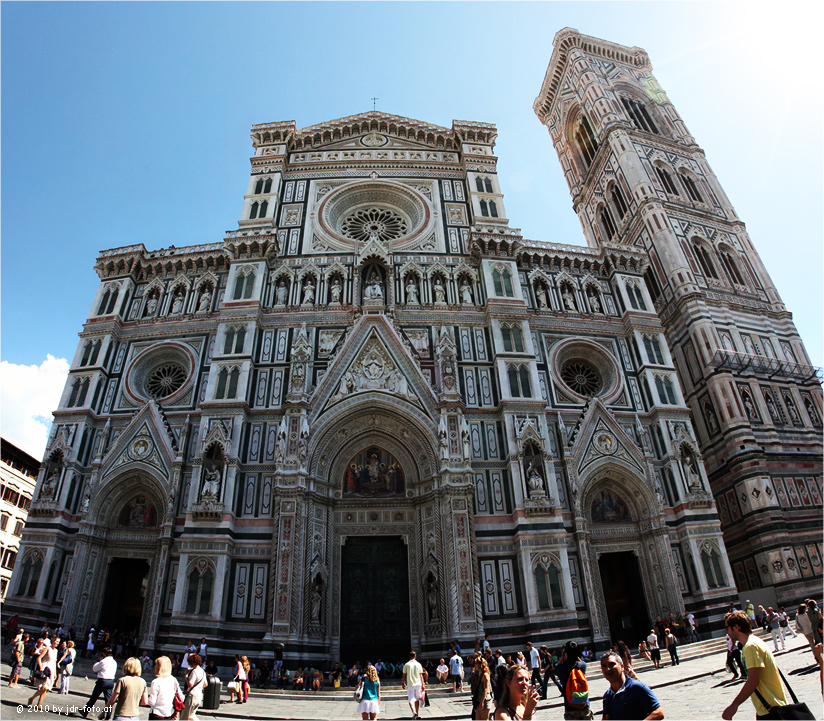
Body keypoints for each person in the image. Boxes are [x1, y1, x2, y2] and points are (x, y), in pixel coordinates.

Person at [722, 610, 787, 719]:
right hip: (769, 706)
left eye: (727, 628)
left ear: (736, 627)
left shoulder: (750, 647)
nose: (727, 632)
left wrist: (734, 705)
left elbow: (753, 680)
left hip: (770, 709)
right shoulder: (755, 641)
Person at [600, 651, 664, 720]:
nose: (608, 669)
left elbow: (659, 713)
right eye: (604, 666)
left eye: (611, 664)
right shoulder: (607, 696)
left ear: (622, 667)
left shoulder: (637, 687)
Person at [555, 640, 593, 720]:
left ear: (566, 653)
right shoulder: (582, 666)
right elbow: (581, 661)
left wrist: (562, 656)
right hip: (584, 705)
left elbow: (555, 667)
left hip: (570, 707)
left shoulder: (561, 668)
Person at [81, 647, 117, 718]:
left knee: (94, 697)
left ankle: (85, 711)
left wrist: (98, 661)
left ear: (104, 653)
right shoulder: (114, 662)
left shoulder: (104, 661)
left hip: (103, 681)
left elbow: (95, 669)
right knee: (108, 700)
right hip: (111, 681)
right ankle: (108, 716)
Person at [107, 657, 148, 721]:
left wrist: (104, 711)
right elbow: (144, 702)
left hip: (121, 715)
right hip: (135, 716)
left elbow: (113, 699)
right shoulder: (143, 682)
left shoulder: (122, 680)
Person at [28, 636, 59, 709]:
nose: (57, 643)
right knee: (44, 687)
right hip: (45, 668)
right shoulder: (47, 648)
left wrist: (55, 673)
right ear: (53, 641)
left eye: (58, 642)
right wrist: (41, 667)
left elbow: (54, 662)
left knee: (47, 689)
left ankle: (39, 705)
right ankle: (32, 698)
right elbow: (39, 658)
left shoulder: (56, 650)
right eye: (56, 641)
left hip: (51, 670)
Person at [148, 656, 182, 721]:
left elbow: (152, 701)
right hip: (169, 713)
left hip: (157, 713)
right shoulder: (173, 680)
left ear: (160, 667)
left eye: (156, 665)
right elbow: (181, 697)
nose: (154, 666)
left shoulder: (156, 682)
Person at [181, 652, 206, 721]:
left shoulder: (194, 672)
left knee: (185, 717)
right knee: (191, 716)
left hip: (192, 696)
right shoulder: (202, 671)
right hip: (199, 696)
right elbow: (205, 684)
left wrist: (186, 676)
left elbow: (190, 684)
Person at [401, 650, 424, 719]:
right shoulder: (418, 664)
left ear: (409, 656)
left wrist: (403, 683)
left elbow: (404, 675)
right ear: (415, 656)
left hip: (410, 684)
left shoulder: (407, 664)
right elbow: (421, 675)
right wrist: (423, 684)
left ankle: (414, 712)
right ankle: (417, 712)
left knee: (411, 699)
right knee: (417, 699)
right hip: (418, 684)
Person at [471, 654, 493, 720]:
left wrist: (482, 702)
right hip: (478, 699)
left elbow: (486, 689)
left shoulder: (485, 675)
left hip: (485, 700)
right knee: (477, 718)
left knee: (484, 719)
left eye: (476, 663)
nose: (475, 665)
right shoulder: (480, 674)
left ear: (480, 665)